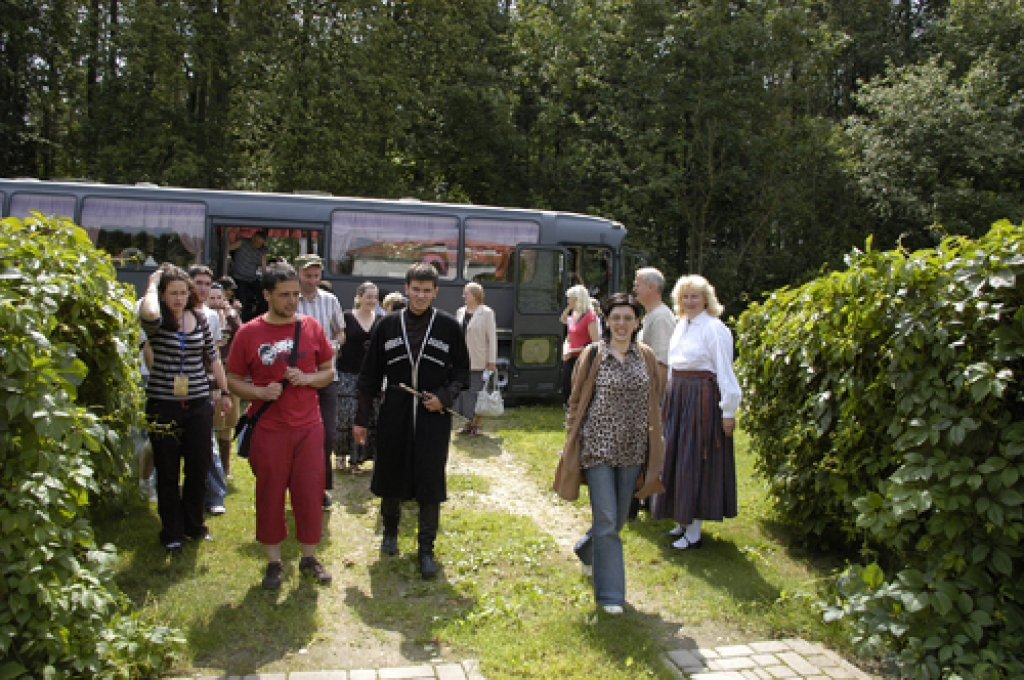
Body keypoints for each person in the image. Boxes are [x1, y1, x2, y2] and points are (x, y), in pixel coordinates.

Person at [353, 263, 470, 579]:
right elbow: (369, 377)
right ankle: (390, 533)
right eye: (415, 289)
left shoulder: (448, 326)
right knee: (391, 470)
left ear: (435, 292)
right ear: (406, 288)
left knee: (430, 478)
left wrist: (445, 397)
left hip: (434, 416)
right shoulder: (387, 325)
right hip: (396, 410)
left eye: (426, 290)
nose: (420, 295)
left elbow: (461, 372)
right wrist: (361, 419)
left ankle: (426, 549)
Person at [553, 293, 666, 615]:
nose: (621, 323)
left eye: (628, 318)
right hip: (597, 448)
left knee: (616, 521)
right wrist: (572, 437)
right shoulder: (592, 355)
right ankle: (610, 596)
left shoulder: (645, 356)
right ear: (606, 320)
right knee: (605, 520)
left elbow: (654, 399)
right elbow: (576, 401)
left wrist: (654, 445)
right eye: (616, 317)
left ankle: (587, 550)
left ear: (637, 322)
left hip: (632, 451)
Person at [226, 262, 335, 589]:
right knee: (270, 495)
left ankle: (309, 556)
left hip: (308, 427)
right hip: (270, 429)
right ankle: (274, 562)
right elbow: (232, 379)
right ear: (267, 295)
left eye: (296, 295)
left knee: (310, 492)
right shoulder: (249, 332)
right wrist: (259, 391)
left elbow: (328, 371)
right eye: (284, 295)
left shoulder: (312, 327)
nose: (292, 301)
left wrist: (307, 378)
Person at [139, 264, 233, 555]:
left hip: (197, 404)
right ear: (163, 294)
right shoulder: (156, 321)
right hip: (163, 404)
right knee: (167, 470)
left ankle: (194, 524)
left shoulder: (199, 318)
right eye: (173, 293)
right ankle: (171, 531)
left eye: (183, 292)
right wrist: (153, 283)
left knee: (198, 465)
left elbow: (213, 357)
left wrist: (224, 390)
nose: (179, 298)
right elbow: (150, 311)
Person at [650, 275, 742, 550]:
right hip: (678, 397)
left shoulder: (715, 329)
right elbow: (675, 366)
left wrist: (728, 410)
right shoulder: (681, 326)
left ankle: (694, 531)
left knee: (696, 459)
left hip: (700, 400)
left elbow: (725, 371)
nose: (689, 302)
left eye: (695, 297)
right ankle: (682, 519)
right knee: (676, 457)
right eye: (685, 297)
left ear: (706, 299)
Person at [294, 254, 346, 509]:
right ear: (298, 274)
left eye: (316, 275)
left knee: (326, 434)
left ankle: (321, 488)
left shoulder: (330, 300)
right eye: (308, 275)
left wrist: (333, 345)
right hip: (295, 380)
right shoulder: (290, 301)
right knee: (298, 435)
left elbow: (340, 331)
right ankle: (295, 484)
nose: (313, 280)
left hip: (326, 377)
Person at [188, 264, 229, 516]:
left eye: (207, 283)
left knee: (208, 442)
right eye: (198, 283)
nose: (203, 289)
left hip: (203, 387)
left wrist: (218, 389)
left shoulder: (211, 317)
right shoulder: (169, 312)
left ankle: (215, 495)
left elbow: (212, 356)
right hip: (172, 387)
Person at [335, 281, 382, 474]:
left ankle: (357, 459)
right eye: (368, 296)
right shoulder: (346, 317)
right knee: (346, 416)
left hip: (370, 375)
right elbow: (338, 340)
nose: (372, 300)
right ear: (359, 297)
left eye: (375, 297)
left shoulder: (380, 319)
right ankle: (340, 454)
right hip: (347, 373)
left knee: (367, 416)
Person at [454, 282, 497, 437]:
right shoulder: (460, 312)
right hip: (462, 360)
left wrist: (491, 361)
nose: (463, 296)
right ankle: (468, 423)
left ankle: (478, 424)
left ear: (475, 295)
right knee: (464, 393)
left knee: (478, 393)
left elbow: (492, 338)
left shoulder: (486, 312)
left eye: (466, 293)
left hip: (479, 360)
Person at [208, 282, 242, 480]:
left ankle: (226, 467)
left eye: (218, 298)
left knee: (228, 421)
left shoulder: (230, 318)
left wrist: (229, 312)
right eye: (210, 298)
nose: (215, 302)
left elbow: (241, 332)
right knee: (211, 419)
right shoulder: (203, 318)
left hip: (229, 373)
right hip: (210, 373)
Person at [634, 267, 676, 383]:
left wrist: (656, 399)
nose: (634, 289)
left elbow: (662, 364)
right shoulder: (652, 316)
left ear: (651, 287)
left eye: (637, 285)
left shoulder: (661, 318)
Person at [560, 284, 600, 407]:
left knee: (579, 390)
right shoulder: (574, 317)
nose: (568, 301)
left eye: (570, 298)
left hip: (583, 359)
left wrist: (573, 351)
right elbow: (569, 337)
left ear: (577, 299)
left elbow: (596, 343)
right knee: (567, 387)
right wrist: (565, 350)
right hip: (570, 358)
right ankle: (570, 415)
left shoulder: (590, 317)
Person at [228, 230, 268, 321]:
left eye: (260, 243)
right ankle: (242, 319)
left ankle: (261, 316)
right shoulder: (243, 242)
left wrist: (266, 278)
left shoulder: (263, 251)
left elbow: (264, 266)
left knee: (264, 295)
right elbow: (228, 248)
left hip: (252, 278)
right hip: (239, 277)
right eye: (257, 242)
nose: (257, 245)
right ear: (253, 238)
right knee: (242, 299)